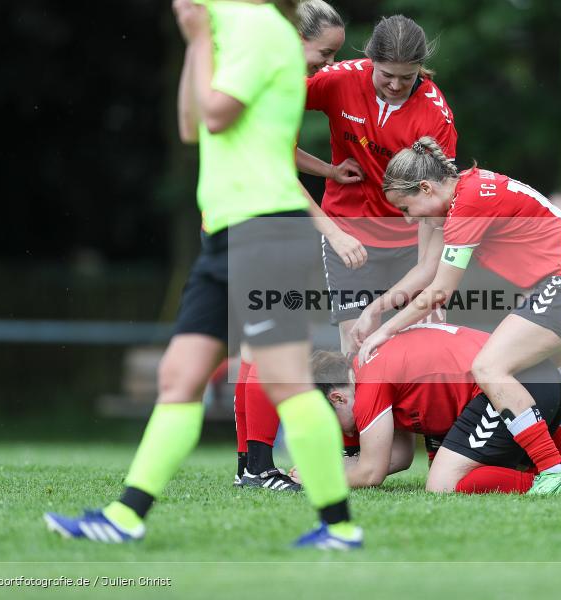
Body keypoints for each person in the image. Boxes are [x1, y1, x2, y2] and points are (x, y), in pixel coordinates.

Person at [44, 0, 361, 550]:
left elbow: (216, 113)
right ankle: (126, 517)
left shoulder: (262, 28)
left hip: (266, 228)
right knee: (179, 376)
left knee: (285, 381)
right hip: (226, 233)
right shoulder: (224, 26)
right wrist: (196, 41)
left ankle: (339, 527)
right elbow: (191, 126)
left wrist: (196, 39)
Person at [233, 13, 459, 488]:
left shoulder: (435, 114)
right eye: (386, 75)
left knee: (420, 344)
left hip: (409, 238)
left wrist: (431, 272)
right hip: (348, 235)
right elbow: (270, 113)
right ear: (368, 61)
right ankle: (352, 454)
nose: (396, 86)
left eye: (407, 77)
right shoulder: (338, 79)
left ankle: (438, 447)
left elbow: (440, 201)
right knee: (356, 345)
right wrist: (326, 172)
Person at [354, 137, 561, 495]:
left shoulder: (467, 205)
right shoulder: (468, 191)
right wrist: (375, 310)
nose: (411, 219)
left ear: (425, 187)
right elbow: (429, 270)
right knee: (535, 378)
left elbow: (440, 291)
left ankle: (555, 471)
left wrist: (386, 331)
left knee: (488, 367)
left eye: (407, 207)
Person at [229, 0, 356, 491]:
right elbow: (276, 165)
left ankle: (248, 466)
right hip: (256, 219)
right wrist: (333, 229)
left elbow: (279, 146)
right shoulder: (276, 76)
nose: (326, 67)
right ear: (295, 36)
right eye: (322, 54)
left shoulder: (258, 71)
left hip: (230, 216)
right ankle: (261, 468)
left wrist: (327, 170)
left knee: (252, 347)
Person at [304, 323, 561, 493]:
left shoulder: (369, 382)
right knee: (444, 466)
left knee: (442, 483)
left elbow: (371, 472)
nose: (347, 433)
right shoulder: (376, 363)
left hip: (514, 391)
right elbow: (398, 457)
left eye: (336, 423)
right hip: (539, 382)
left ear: (337, 397)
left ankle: (559, 478)